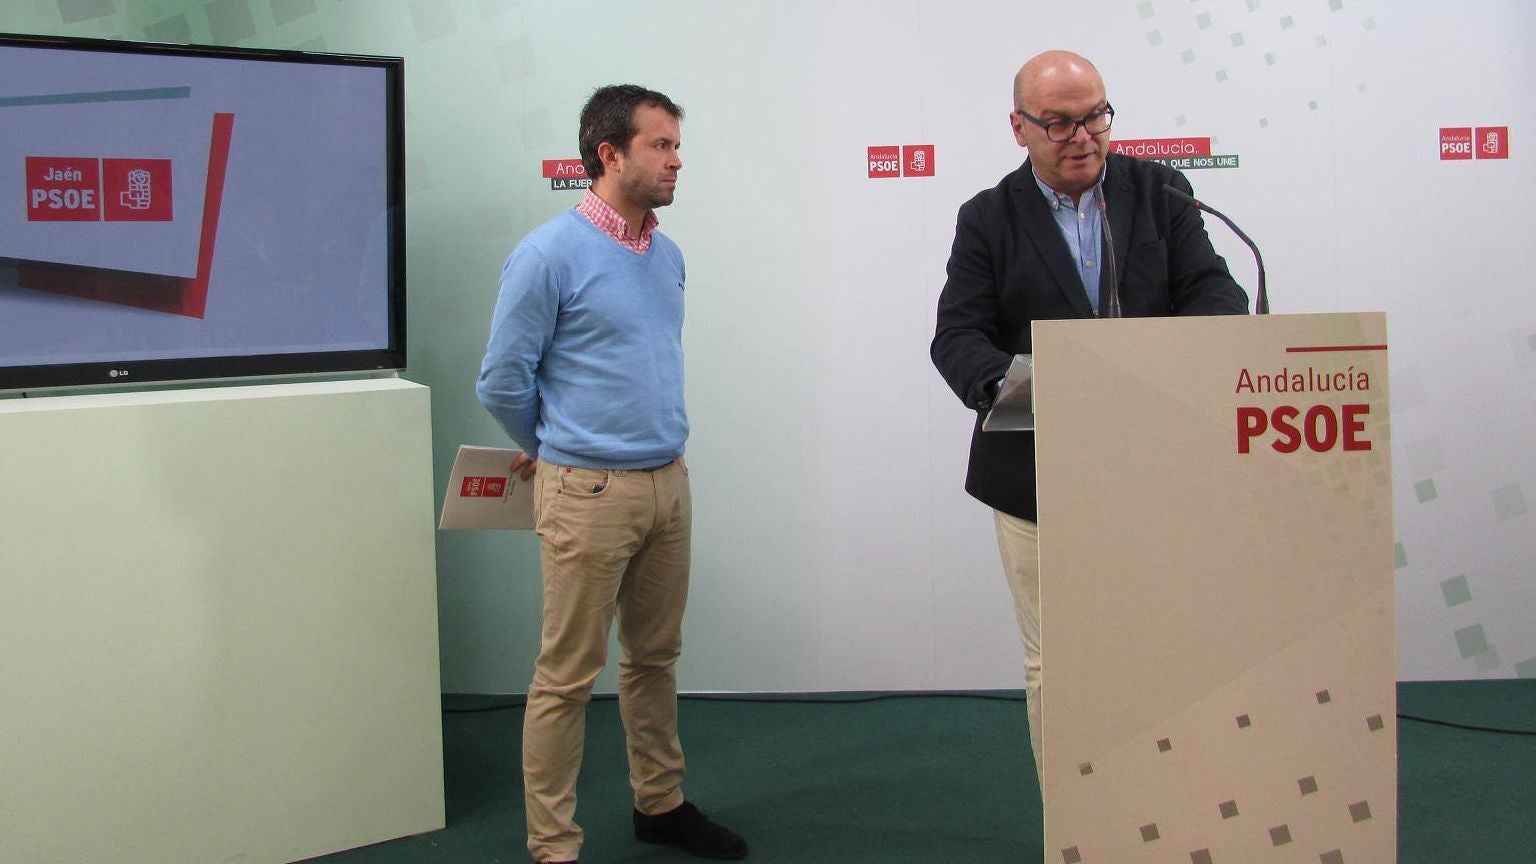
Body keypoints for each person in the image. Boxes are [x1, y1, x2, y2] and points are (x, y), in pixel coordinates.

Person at [929, 51, 1249, 780]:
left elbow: (1216, 294)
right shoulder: (987, 217)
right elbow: (957, 338)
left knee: (1167, 645)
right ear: (1019, 128)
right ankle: (1074, 828)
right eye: (1059, 123)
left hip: (1159, 466)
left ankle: (1170, 808)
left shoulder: (1162, 191)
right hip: (1037, 476)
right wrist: (1037, 390)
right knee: (1061, 661)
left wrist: (1152, 368)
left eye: (1096, 115)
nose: (1083, 136)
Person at [477, 84, 748, 864]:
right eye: (660, 144)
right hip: (586, 493)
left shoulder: (666, 254)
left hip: (668, 483)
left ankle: (660, 804)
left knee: (655, 658)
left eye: (675, 144)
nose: (676, 159)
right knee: (566, 677)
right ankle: (553, 844)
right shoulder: (547, 254)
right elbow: (501, 379)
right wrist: (555, 445)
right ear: (610, 154)